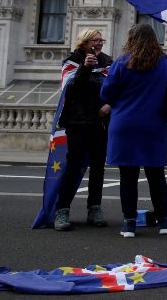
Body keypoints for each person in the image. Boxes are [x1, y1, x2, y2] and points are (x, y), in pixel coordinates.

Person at [100, 23, 167, 238]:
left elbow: (106, 94)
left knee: (128, 176)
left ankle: (129, 224)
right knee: (156, 174)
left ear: (131, 39)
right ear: (154, 39)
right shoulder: (165, 62)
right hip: (153, 125)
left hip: (124, 125)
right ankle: (164, 221)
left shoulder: (121, 62)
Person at [54, 29, 113, 231]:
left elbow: (117, 88)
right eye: (95, 41)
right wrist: (85, 69)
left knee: (98, 167)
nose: (99, 44)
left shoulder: (107, 62)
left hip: (100, 122)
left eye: (101, 40)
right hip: (77, 122)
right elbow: (69, 90)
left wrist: (110, 104)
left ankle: (94, 208)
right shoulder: (71, 62)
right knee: (74, 166)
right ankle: (62, 210)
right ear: (84, 43)